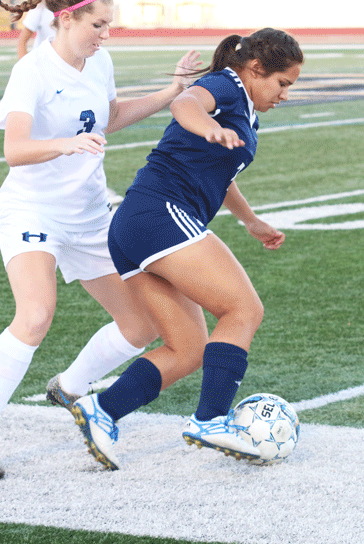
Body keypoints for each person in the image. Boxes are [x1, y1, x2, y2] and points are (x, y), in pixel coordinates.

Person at [0, 0, 202, 478]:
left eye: (109, 25)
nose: (106, 33)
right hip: (34, 212)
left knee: (138, 327)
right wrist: (65, 144)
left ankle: (68, 388)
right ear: (66, 19)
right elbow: (15, 150)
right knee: (35, 315)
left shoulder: (100, 61)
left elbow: (108, 116)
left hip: (90, 214)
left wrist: (170, 92)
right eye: (98, 24)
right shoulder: (32, 70)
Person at [70, 28, 304, 470]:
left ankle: (103, 409)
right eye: (283, 83)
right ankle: (210, 419)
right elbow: (185, 104)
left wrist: (250, 220)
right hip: (159, 214)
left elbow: (221, 173)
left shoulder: (246, 109)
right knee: (243, 310)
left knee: (189, 348)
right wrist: (209, 125)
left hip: (138, 225)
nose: (286, 95)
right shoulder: (227, 85)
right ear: (256, 69)